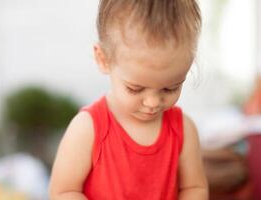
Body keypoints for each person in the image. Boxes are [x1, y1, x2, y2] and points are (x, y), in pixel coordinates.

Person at [49, 0, 208, 199]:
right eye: (136, 88)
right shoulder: (87, 129)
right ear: (103, 59)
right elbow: (63, 192)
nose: (153, 102)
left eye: (170, 88)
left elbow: (194, 188)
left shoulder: (183, 130)